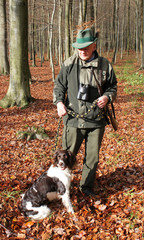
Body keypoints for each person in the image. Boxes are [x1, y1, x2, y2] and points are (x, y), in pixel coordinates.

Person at [53, 28, 117, 196]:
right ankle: (61, 188)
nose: (82, 50)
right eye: (79, 47)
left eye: (86, 47)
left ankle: (86, 187)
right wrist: (59, 103)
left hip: (96, 120)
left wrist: (107, 97)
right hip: (73, 119)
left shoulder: (105, 65)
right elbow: (59, 86)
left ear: (94, 46)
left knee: (92, 158)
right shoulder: (69, 64)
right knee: (65, 157)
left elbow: (112, 86)